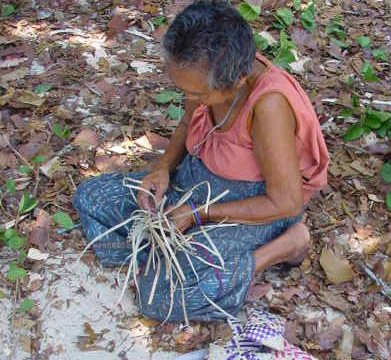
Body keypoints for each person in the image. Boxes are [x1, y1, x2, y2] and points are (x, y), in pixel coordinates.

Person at [73, 0, 329, 323]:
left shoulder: (269, 107)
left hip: (251, 208)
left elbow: (286, 202)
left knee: (161, 299)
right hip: (194, 182)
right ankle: (159, 258)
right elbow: (188, 123)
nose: (191, 100)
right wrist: (163, 167)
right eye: (184, 91)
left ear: (236, 82)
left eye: (199, 95)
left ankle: (285, 246)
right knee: (91, 197)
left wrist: (199, 214)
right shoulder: (203, 71)